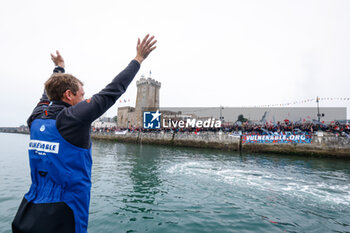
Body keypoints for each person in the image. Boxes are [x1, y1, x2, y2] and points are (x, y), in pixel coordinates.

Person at [12, 35, 157, 233]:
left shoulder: (36, 117)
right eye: (82, 94)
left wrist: (59, 69)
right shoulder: (71, 120)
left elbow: (47, 93)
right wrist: (138, 59)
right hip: (66, 209)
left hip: (31, 205)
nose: (84, 98)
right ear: (69, 95)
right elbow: (113, 91)